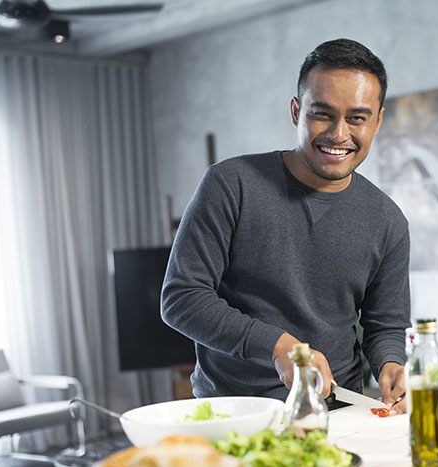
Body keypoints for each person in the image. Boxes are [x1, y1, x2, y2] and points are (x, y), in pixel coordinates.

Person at [161, 38, 411, 415]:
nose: (339, 134)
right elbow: (181, 298)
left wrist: (391, 363)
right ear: (296, 112)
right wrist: (279, 347)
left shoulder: (388, 220)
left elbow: (386, 325)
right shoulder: (230, 184)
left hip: (338, 413)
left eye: (357, 118)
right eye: (322, 113)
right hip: (234, 413)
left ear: (377, 121)